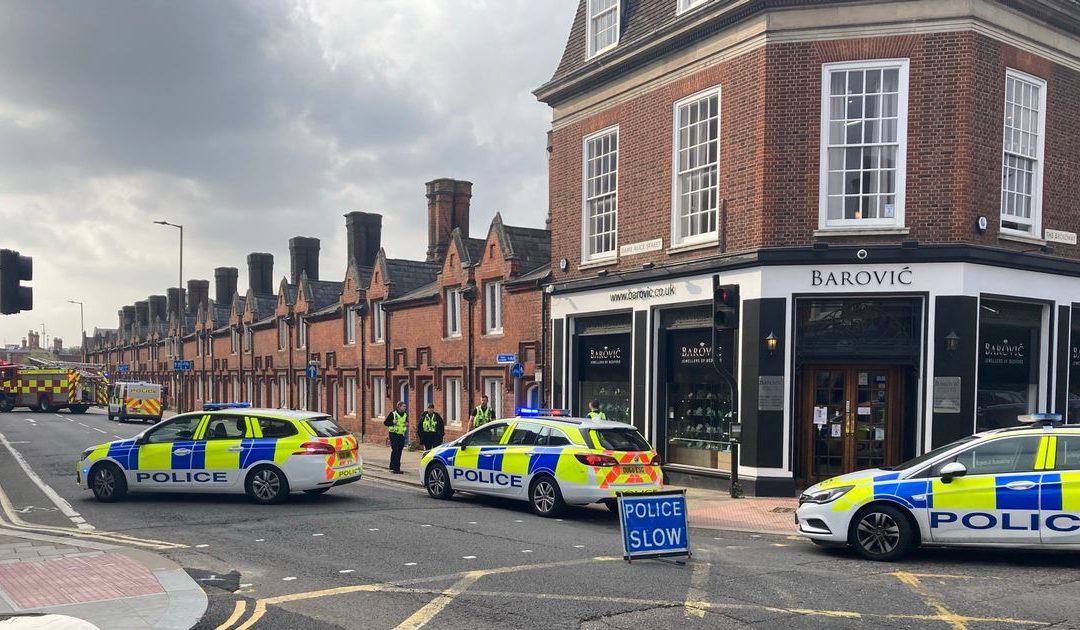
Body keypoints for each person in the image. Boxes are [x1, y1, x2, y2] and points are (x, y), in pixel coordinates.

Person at [384, 401, 408, 474]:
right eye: (403, 406)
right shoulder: (393, 414)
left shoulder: (405, 415)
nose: (405, 408)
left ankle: (397, 468)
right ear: (399, 407)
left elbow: (405, 422)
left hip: (401, 435)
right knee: (395, 450)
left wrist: (407, 424)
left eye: (405, 406)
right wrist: (392, 422)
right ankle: (392, 467)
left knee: (399, 451)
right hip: (393, 434)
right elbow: (385, 423)